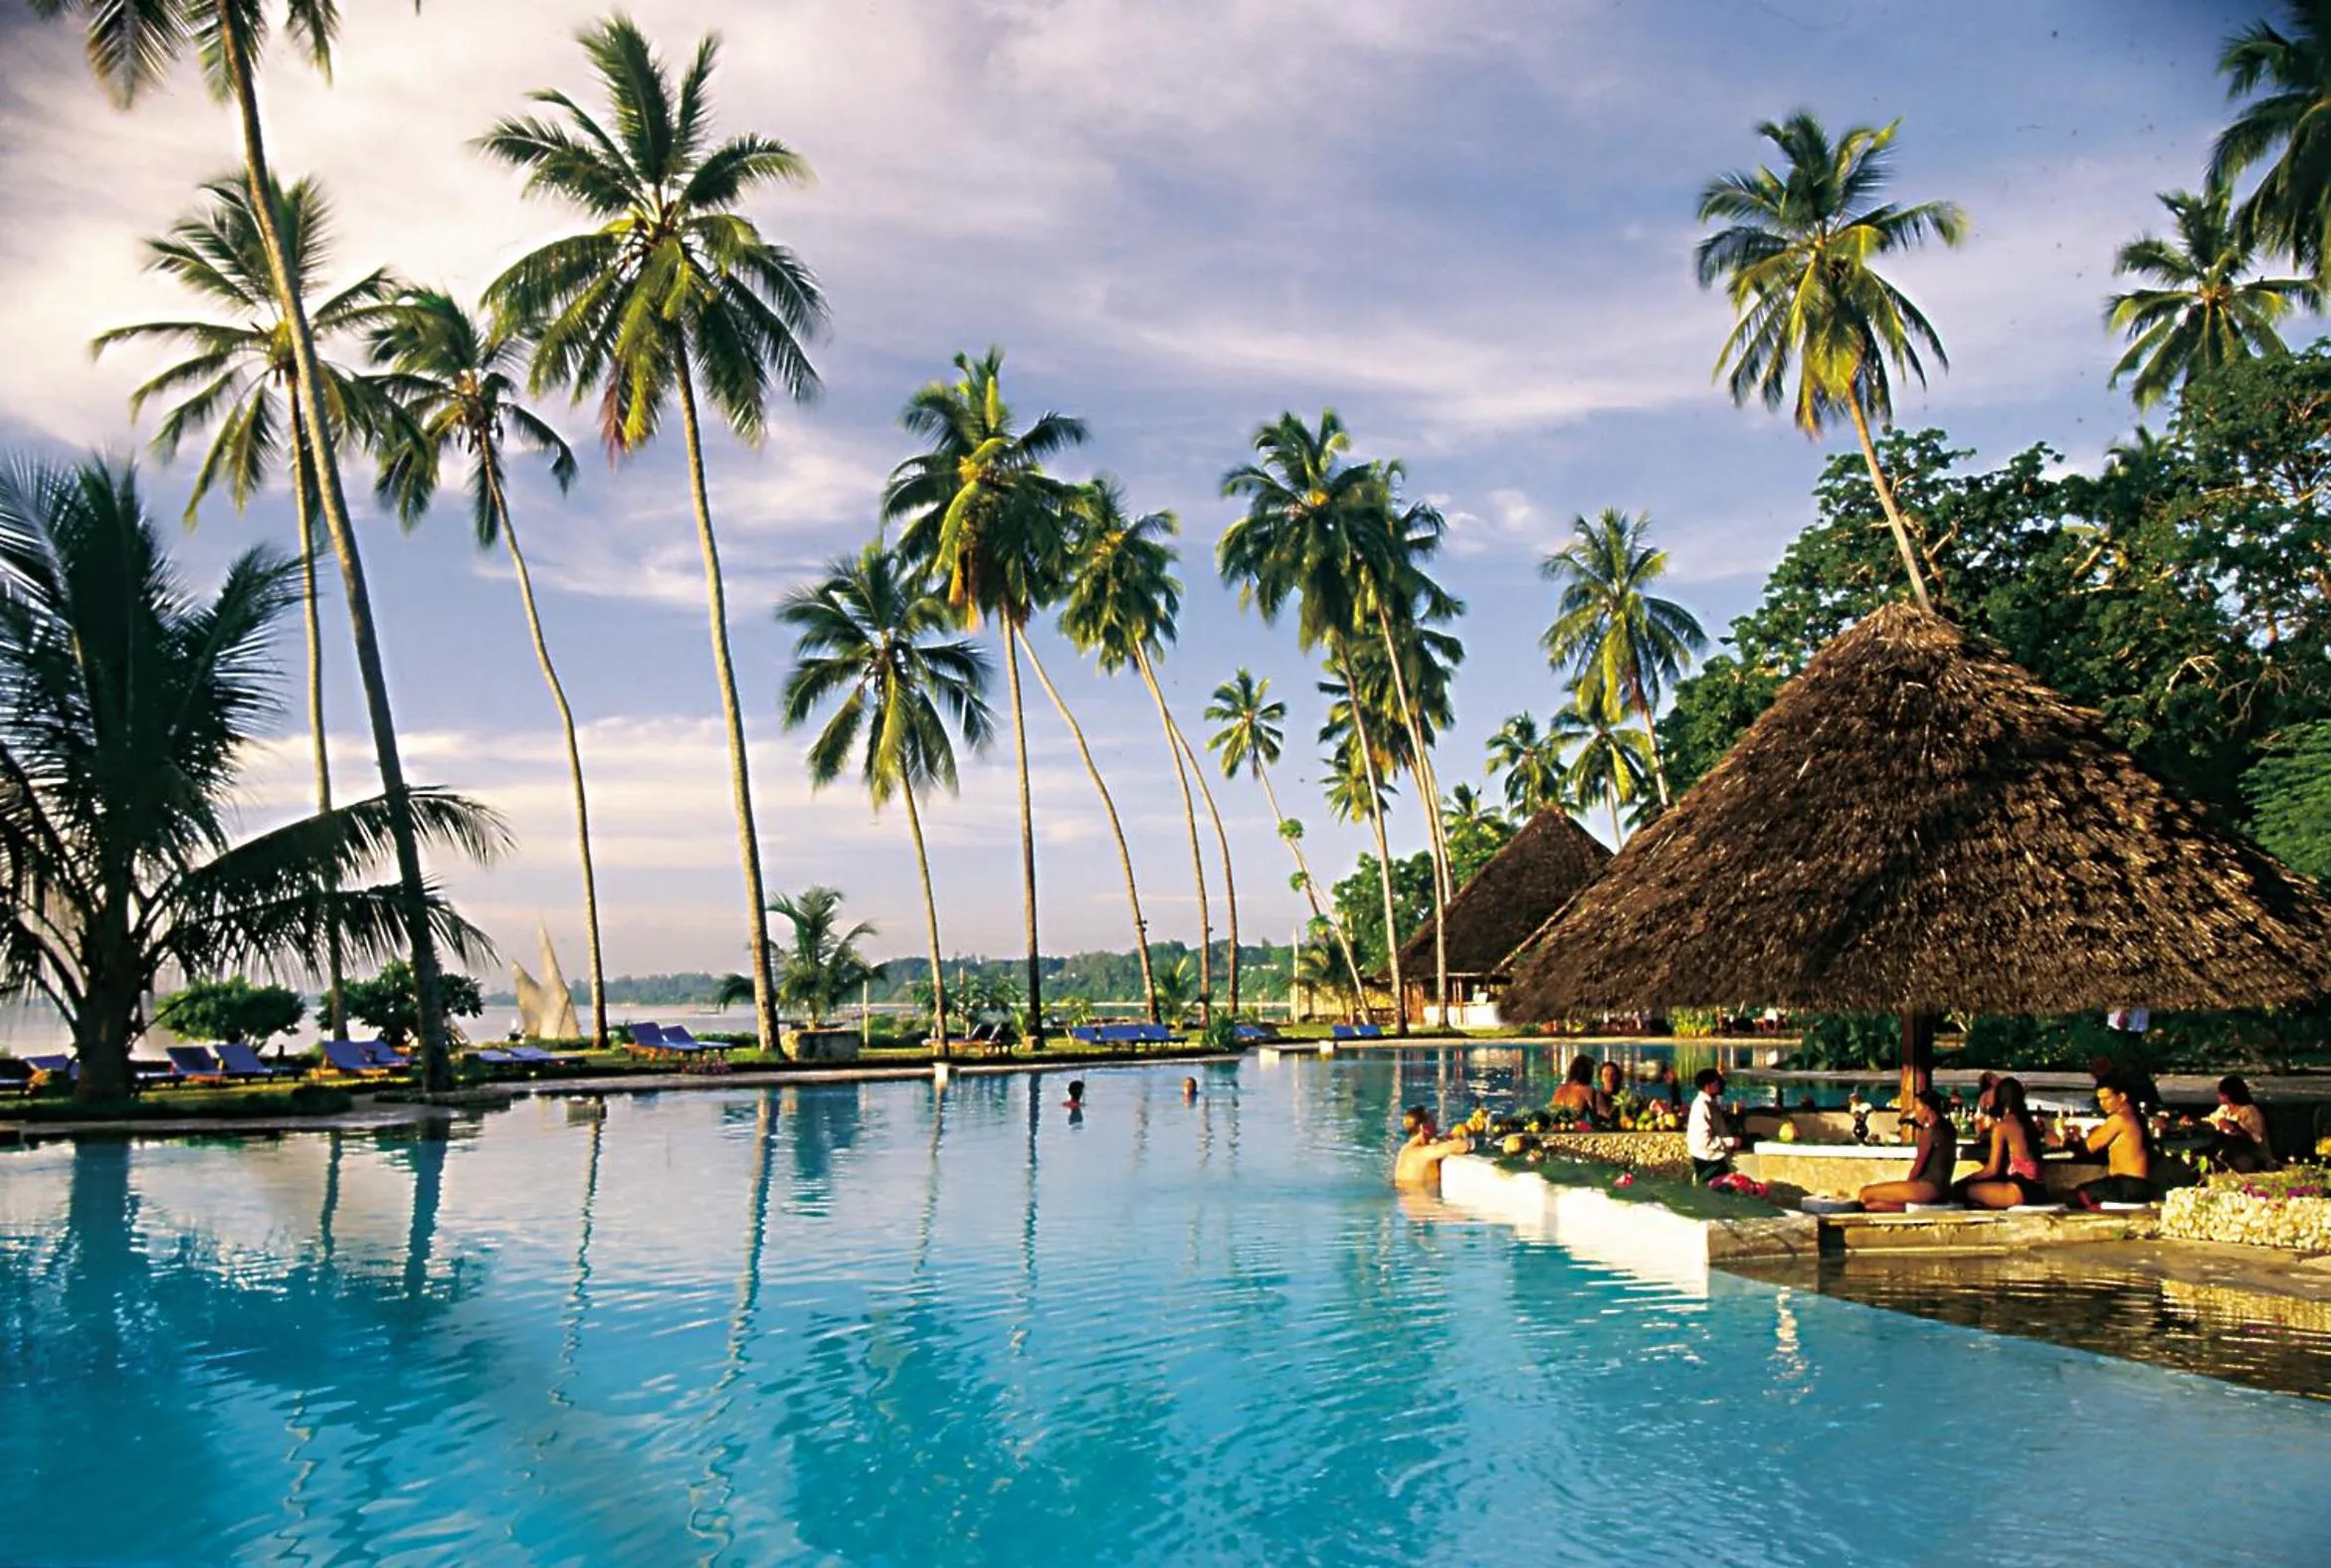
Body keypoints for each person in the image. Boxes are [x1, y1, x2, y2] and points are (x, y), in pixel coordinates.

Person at [1858, 1089, 1959, 1211]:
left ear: (1927, 1109)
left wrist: (1906, 1188)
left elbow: (1918, 1167)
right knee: (1872, 1206)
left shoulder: (1930, 1133)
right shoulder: (1948, 1129)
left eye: (1917, 1108)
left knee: (1865, 1193)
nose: (1915, 1113)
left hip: (1928, 1188)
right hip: (1942, 1189)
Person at [1955, 1077, 2044, 1209]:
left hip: (2018, 1191)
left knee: (1958, 1192)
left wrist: (1966, 1179)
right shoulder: (2029, 1124)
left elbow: (1992, 1170)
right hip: (2039, 1191)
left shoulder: (2002, 1127)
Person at [2071, 1075, 2155, 1208]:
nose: (2102, 1104)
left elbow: (2088, 1147)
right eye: (2100, 1099)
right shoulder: (2136, 1118)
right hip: (2135, 1185)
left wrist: (2066, 1140)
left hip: (2127, 1185)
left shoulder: (2119, 1119)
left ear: (2122, 1097)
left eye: (2107, 1098)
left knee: (2075, 1197)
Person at [1393, 1104, 1472, 1191]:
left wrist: (1453, 1135)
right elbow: (1463, 1146)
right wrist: (1468, 1132)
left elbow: (1437, 1144)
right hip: (1424, 1202)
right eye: (1432, 1121)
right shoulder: (1420, 1153)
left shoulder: (1407, 1149)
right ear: (1423, 1127)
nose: (1435, 1124)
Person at [2205, 1076, 2276, 1173]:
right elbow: (2210, 1121)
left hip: (2253, 1157)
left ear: (2229, 1095)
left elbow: (2255, 1139)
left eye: (2221, 1093)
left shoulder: (2249, 1111)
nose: (2219, 1096)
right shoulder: (2224, 1109)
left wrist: (2233, 1128)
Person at [1686, 1069, 1737, 1182]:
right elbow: (1704, 1142)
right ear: (1708, 1086)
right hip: (1708, 1161)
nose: (1719, 1085)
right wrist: (1731, 1141)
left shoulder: (1710, 1103)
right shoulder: (1701, 1107)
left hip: (1714, 1158)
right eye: (1716, 1082)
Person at [1552, 1056, 1598, 1120]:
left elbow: (1553, 1114)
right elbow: (1596, 1119)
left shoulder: (1559, 1089)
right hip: (1575, 1128)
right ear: (1589, 1072)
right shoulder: (1588, 1090)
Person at [1593, 1061, 1626, 1126]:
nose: (1609, 1078)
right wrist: (1620, 1101)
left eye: (1612, 1075)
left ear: (1617, 1077)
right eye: (1605, 1075)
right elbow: (1608, 1115)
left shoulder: (1624, 1095)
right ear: (1601, 1078)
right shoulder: (1599, 1096)